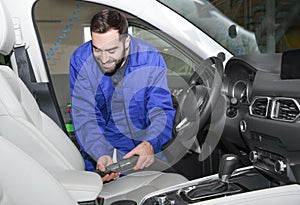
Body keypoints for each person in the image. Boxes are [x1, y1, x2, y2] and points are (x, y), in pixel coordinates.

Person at [69, 9, 175, 182]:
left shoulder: (150, 57)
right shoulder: (81, 60)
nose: (103, 59)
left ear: (126, 42)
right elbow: (85, 115)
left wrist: (150, 143)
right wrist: (101, 154)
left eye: (111, 50)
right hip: (102, 149)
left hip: (143, 146)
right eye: (97, 49)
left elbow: (160, 109)